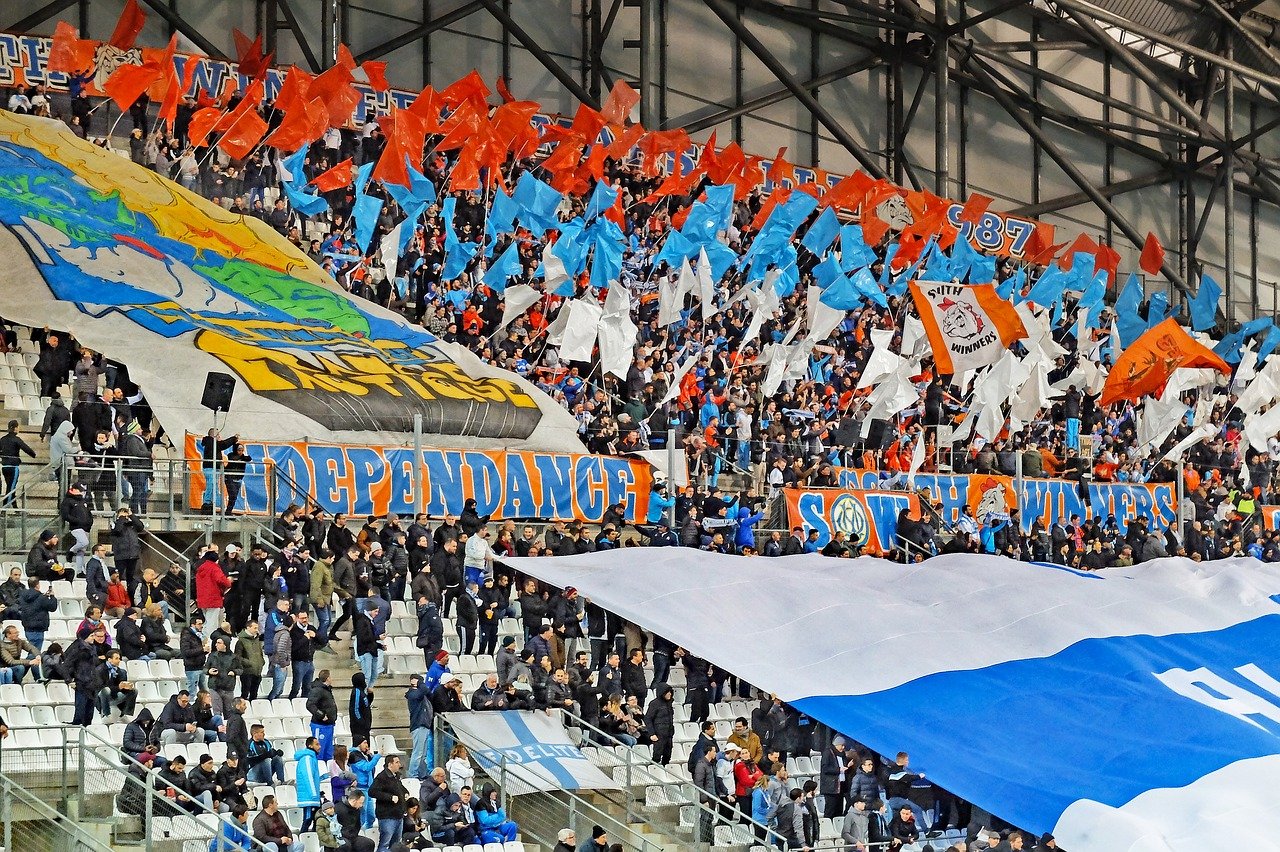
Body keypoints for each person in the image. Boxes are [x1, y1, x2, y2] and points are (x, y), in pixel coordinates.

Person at [370, 754, 409, 852]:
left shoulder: (396, 777)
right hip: (387, 816)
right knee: (385, 843)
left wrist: (405, 792)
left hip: (398, 815)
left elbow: (400, 788)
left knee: (396, 845)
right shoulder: (382, 777)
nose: (399, 764)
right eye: (397, 762)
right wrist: (390, 797)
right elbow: (372, 792)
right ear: (390, 764)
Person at [406, 673, 435, 780]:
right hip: (418, 724)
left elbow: (429, 694)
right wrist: (420, 683)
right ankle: (412, 774)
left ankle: (422, 774)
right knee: (418, 753)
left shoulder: (421, 694)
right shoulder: (412, 694)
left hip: (424, 724)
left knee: (423, 754)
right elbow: (425, 690)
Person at [94, 648, 136, 719]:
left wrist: (127, 687)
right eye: (116, 658)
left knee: (134, 691)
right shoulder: (99, 670)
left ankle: (125, 713)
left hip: (115, 694)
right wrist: (118, 687)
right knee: (106, 690)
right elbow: (100, 687)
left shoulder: (122, 672)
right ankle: (106, 714)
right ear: (109, 659)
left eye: (119, 658)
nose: (119, 660)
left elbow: (122, 688)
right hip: (100, 696)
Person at [308, 668, 339, 760]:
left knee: (328, 753)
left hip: (329, 725)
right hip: (320, 726)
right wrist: (321, 715)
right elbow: (310, 705)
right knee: (318, 751)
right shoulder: (317, 690)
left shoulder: (326, 690)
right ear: (328, 678)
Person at [295, 736, 324, 833]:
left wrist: (324, 777)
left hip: (313, 796)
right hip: (309, 797)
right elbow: (308, 777)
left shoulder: (312, 758)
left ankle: (313, 840)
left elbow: (313, 777)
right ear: (310, 746)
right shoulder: (307, 758)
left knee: (317, 819)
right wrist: (313, 794)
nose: (319, 746)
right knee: (307, 820)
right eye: (317, 744)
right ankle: (302, 838)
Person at [349, 671, 375, 746]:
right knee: (360, 747)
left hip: (365, 727)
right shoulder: (356, 692)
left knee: (366, 747)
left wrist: (370, 694)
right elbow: (355, 709)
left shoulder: (362, 692)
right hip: (359, 727)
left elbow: (366, 704)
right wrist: (362, 723)